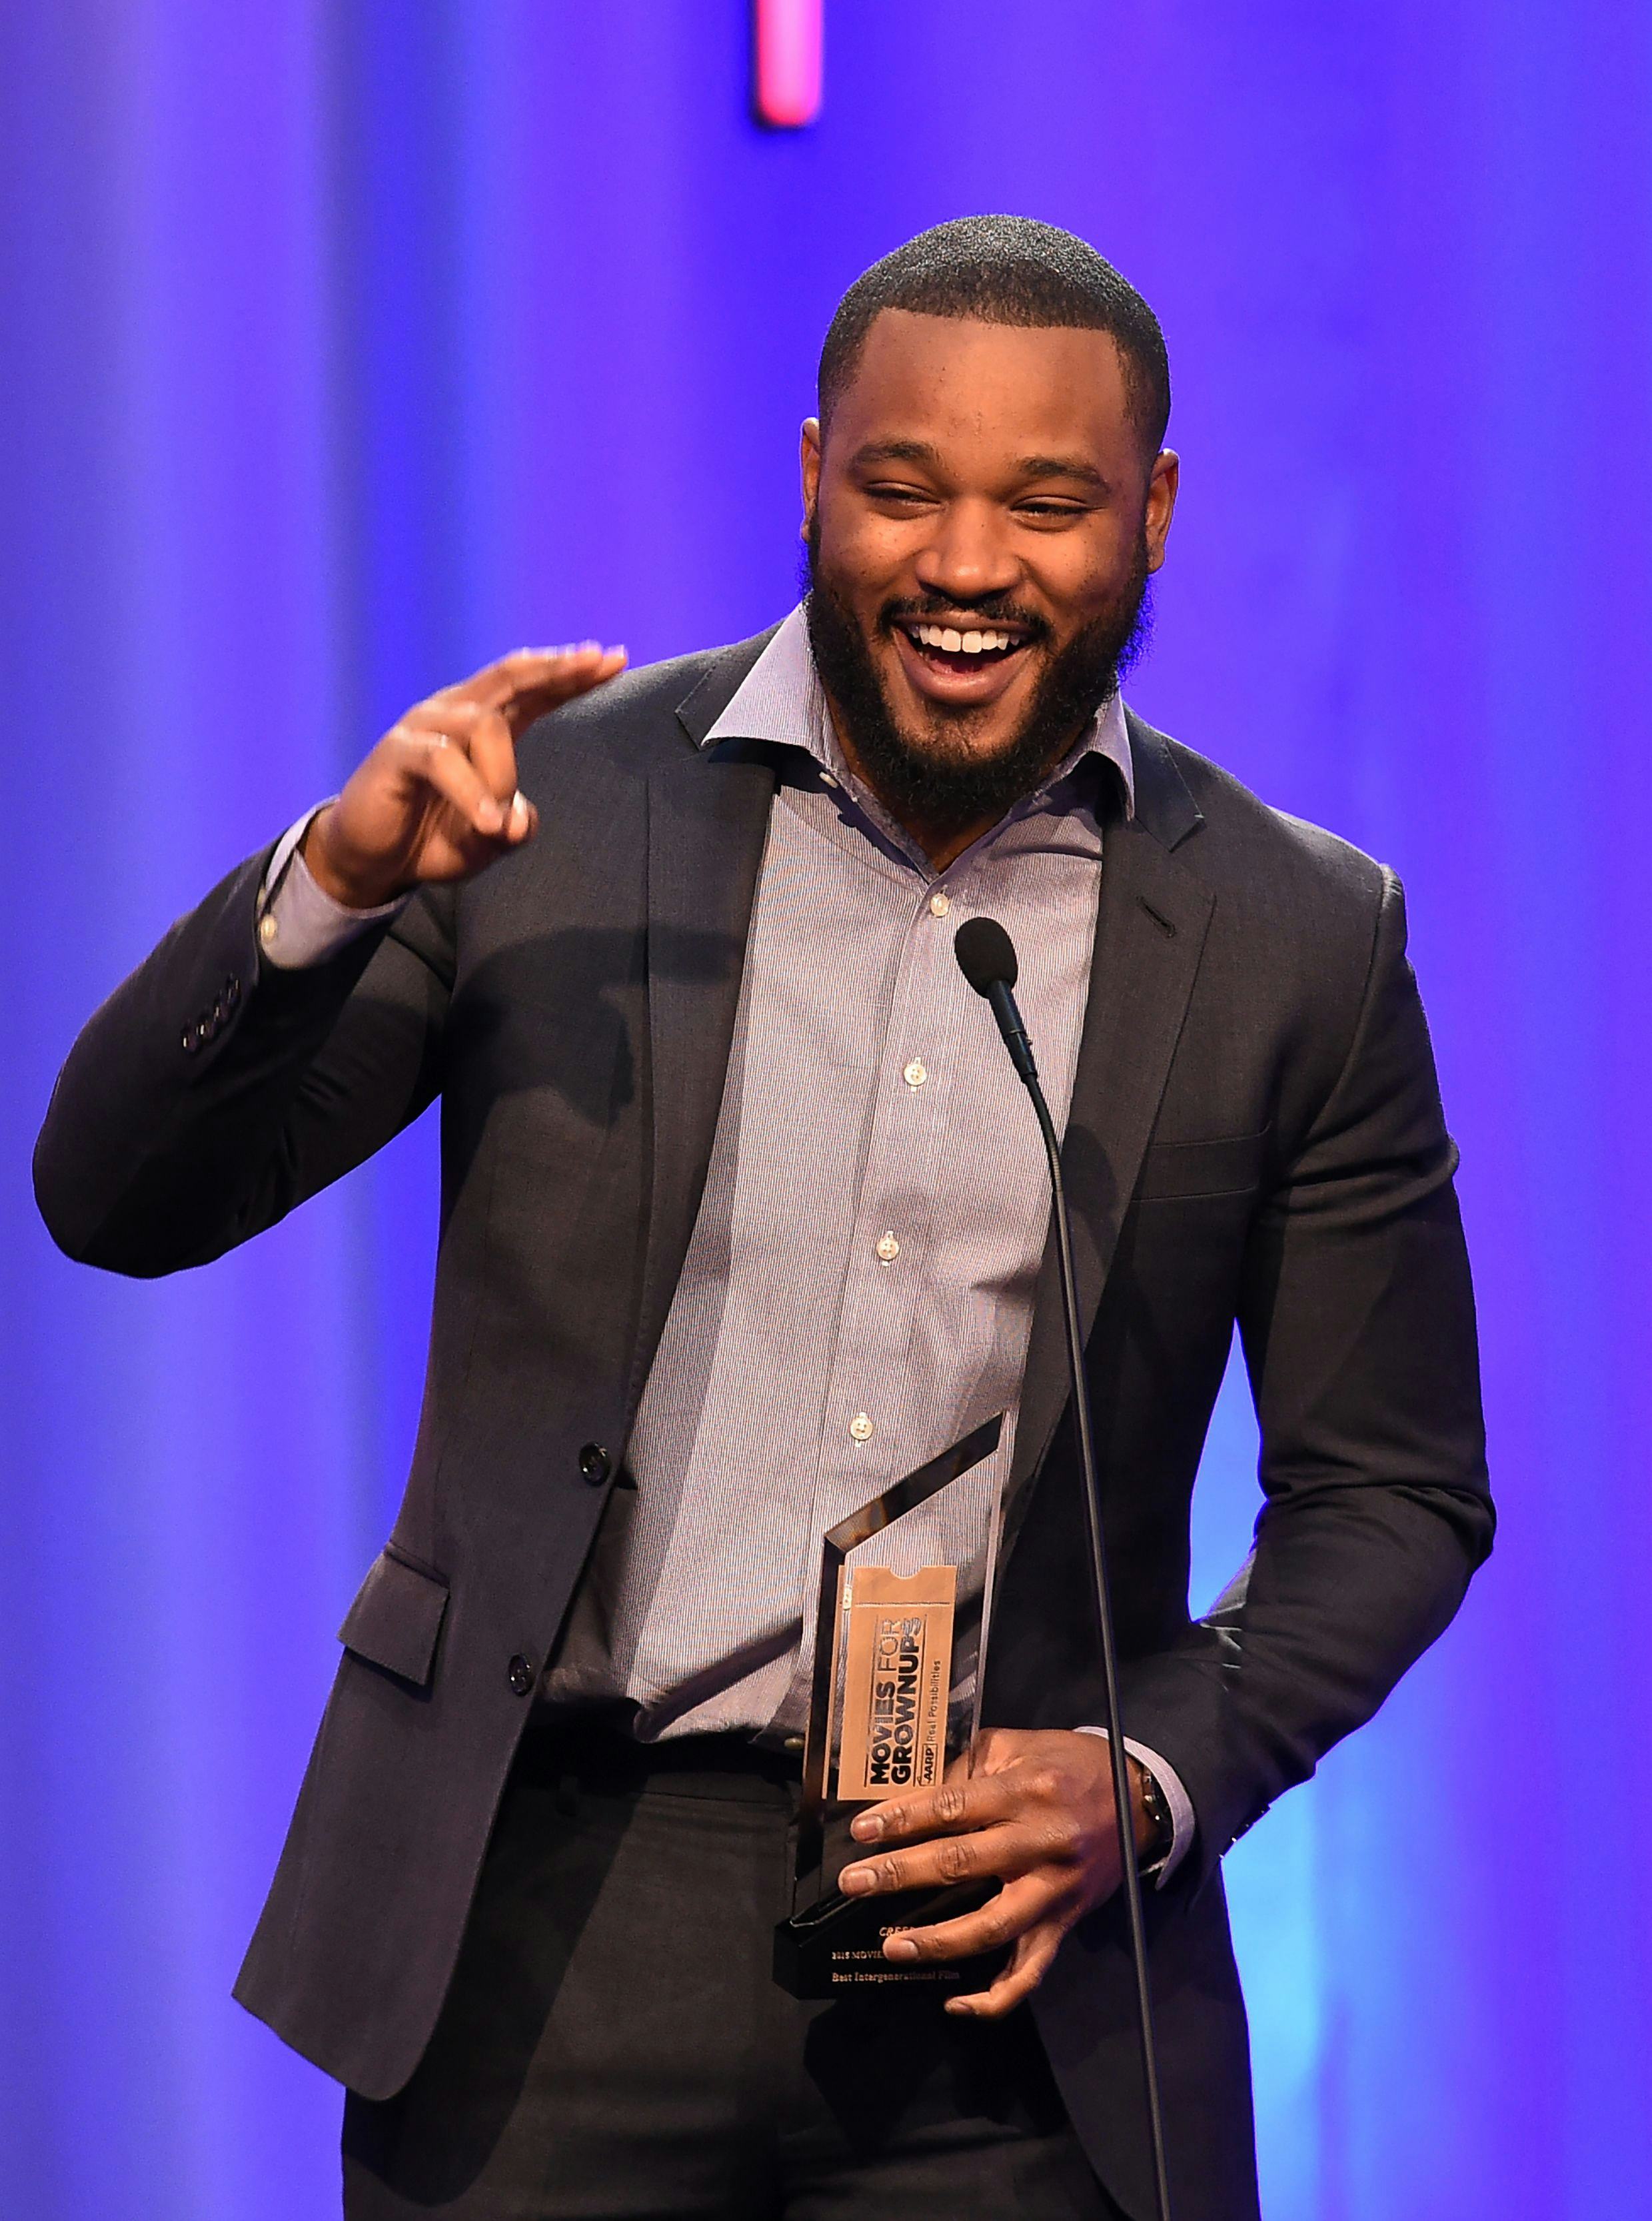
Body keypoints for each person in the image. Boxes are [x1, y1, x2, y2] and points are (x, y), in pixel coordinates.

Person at [34, 217, 1492, 2221]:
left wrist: (1148, 1777)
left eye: (1046, 505)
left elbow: (1395, 1491)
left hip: (1014, 1977)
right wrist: (329, 892)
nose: (966, 565)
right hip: (543, 1928)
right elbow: (114, 1199)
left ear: (1152, 514)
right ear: (814, 476)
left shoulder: (1297, 935)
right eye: (902, 488)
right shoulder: (541, 818)